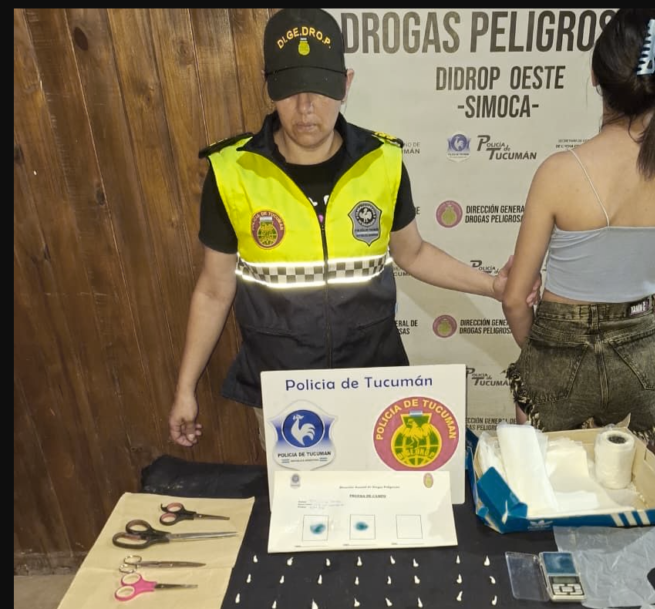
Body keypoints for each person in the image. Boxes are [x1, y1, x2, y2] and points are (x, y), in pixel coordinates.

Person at [169, 8, 539, 450]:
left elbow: (413, 253)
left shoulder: (382, 162)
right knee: (301, 493)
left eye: (320, 88)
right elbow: (214, 290)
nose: (306, 107)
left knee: (382, 487)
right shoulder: (233, 173)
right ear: (268, 85)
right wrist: (185, 388)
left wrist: (493, 286)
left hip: (374, 379)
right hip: (285, 391)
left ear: (345, 84)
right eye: (290, 89)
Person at [502, 9, 655, 445]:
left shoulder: (560, 172)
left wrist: (544, 351)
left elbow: (515, 298)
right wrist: (625, 330)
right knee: (622, 482)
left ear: (596, 77)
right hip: (641, 361)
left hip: (557, 358)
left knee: (540, 481)